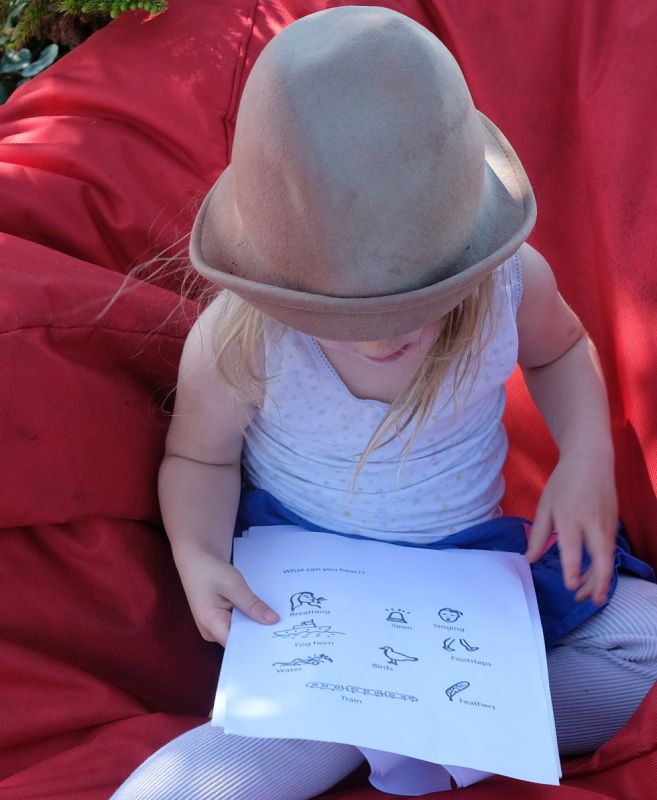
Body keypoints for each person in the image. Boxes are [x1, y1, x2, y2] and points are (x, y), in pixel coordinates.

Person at [111, 7, 657, 799]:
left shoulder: (506, 284)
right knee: (192, 789)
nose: (376, 341)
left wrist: (588, 457)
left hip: (469, 579)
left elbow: (563, 350)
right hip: (314, 604)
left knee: (643, 643)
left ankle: (401, 732)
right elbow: (199, 455)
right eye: (339, 319)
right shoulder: (245, 340)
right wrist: (197, 556)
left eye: (410, 307)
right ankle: (397, 733)